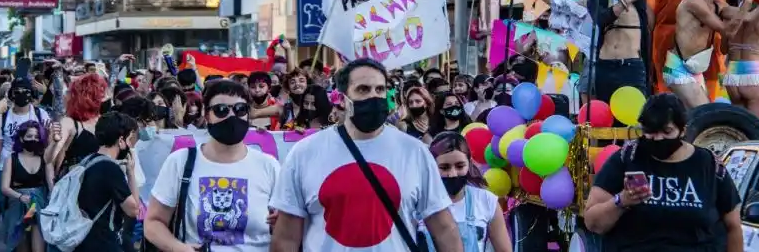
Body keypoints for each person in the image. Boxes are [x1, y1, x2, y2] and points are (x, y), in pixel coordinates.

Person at [269, 58, 463, 252]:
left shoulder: (414, 152)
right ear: (343, 98)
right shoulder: (304, 153)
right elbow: (286, 238)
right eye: (363, 89)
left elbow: (444, 229)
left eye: (380, 89)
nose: (374, 96)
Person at [584, 93, 743, 252]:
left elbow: (734, 226)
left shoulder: (708, 164)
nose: (658, 138)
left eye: (667, 131)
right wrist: (622, 201)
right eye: (651, 131)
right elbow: (592, 222)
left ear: (682, 131)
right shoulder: (627, 158)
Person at [145, 79, 280, 251]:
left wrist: (283, 224)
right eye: (221, 110)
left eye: (240, 109)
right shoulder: (180, 162)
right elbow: (153, 222)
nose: (232, 117)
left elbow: (287, 227)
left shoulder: (269, 166)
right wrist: (179, 248)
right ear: (206, 114)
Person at [647, 0, 726, 98]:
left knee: (671, 103)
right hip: (705, 54)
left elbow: (649, 24)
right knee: (707, 106)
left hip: (667, 53)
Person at [670, 0, 752, 109]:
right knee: (706, 114)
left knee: (696, 119)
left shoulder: (718, 5)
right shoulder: (693, 2)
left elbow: (748, 17)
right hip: (678, 68)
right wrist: (746, 3)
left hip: (695, 70)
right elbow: (727, 29)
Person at [584, 0, 649, 104]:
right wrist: (626, 1)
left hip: (631, 67)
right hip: (605, 66)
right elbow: (602, 18)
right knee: (608, 117)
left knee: (635, 117)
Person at [421, 132, 512, 252]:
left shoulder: (486, 201)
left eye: (460, 166)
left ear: (469, 164)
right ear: (431, 165)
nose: (453, 174)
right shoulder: (418, 202)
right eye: (444, 167)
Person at [71, 111, 141, 252]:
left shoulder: (87, 161)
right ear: (121, 141)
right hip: (104, 242)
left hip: (82, 240)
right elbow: (133, 210)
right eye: (130, 140)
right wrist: (131, 173)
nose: (131, 146)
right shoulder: (110, 169)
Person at [0, 120, 53, 252]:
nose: (33, 139)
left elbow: (51, 184)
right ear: (22, 138)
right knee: (20, 243)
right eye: (29, 136)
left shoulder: (44, 158)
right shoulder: (11, 158)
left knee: (38, 246)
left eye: (36, 137)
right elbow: (4, 187)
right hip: (18, 207)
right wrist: (20, 196)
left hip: (37, 206)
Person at [47, 73, 104, 176]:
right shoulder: (68, 123)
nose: (66, 96)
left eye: (69, 92)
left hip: (97, 183)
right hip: (75, 185)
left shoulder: (106, 121)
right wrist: (54, 142)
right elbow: (49, 160)